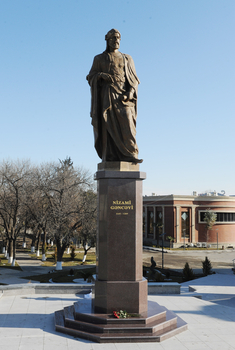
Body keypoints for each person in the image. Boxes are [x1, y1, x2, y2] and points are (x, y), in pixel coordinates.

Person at [86, 29, 142, 163]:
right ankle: (110, 157)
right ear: (107, 40)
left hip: (124, 98)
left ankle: (131, 154)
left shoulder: (127, 58)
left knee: (128, 124)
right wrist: (101, 75)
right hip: (107, 96)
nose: (116, 41)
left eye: (118, 38)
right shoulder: (99, 58)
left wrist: (130, 93)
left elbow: (134, 80)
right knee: (108, 126)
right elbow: (90, 76)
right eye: (113, 38)